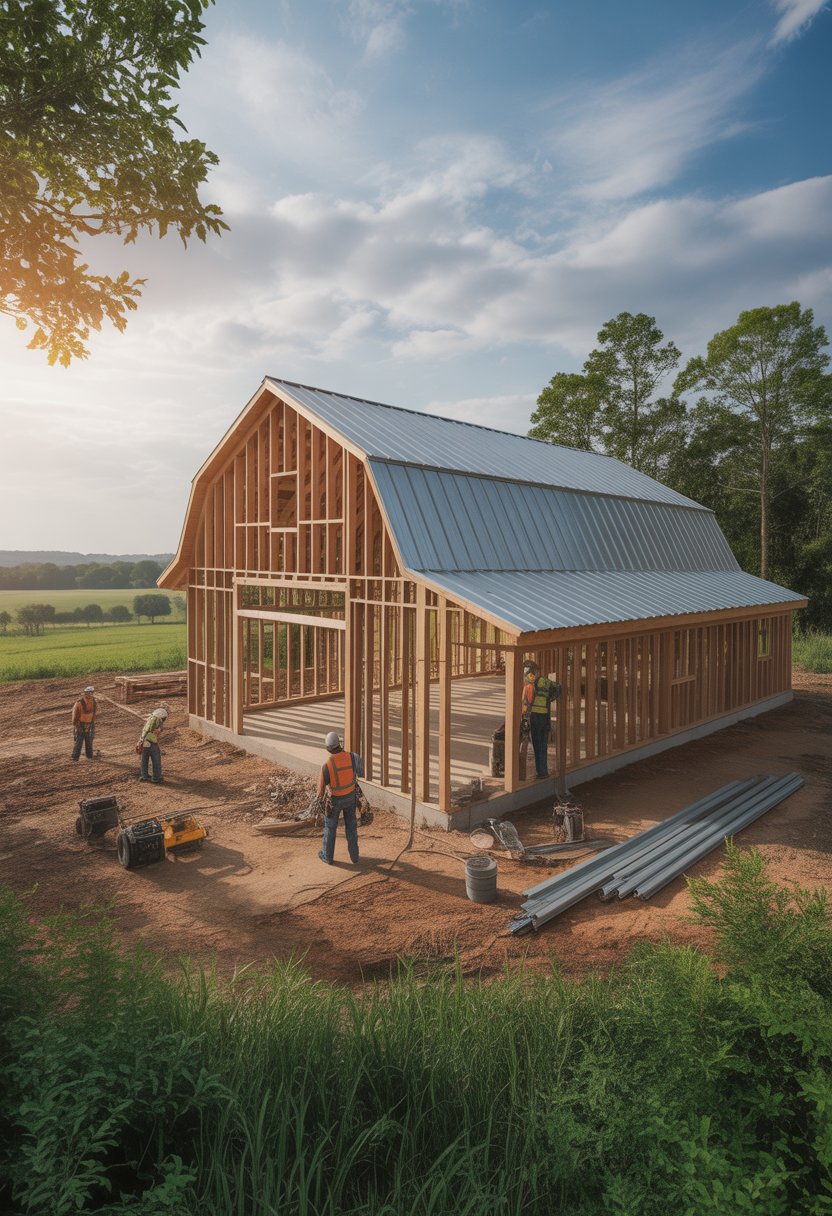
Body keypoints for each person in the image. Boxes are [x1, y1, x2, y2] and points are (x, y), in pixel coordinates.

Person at [317, 730, 363, 865]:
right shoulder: (353, 757)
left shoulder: (326, 766)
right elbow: (360, 772)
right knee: (351, 827)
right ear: (340, 744)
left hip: (335, 801)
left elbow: (320, 792)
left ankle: (327, 856)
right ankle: (354, 857)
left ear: (327, 748)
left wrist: (320, 803)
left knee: (330, 828)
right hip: (350, 798)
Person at [522, 661, 558, 779]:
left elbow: (526, 704)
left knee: (537, 745)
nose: (527, 675)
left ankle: (541, 772)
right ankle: (543, 771)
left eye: (528, 673)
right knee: (543, 745)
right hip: (544, 717)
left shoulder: (529, 686)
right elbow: (558, 689)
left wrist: (524, 718)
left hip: (535, 718)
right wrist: (549, 699)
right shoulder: (545, 682)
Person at [138, 705, 168, 783]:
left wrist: (140, 741)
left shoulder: (150, 719)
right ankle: (156, 778)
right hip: (151, 742)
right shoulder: (157, 720)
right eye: (164, 718)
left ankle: (144, 776)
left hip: (143, 741)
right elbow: (157, 731)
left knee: (144, 759)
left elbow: (145, 730)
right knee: (156, 759)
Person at [71, 685, 97, 761]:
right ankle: (74, 758)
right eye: (89, 692)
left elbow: (96, 712)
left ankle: (89, 757)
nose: (90, 694)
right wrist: (77, 726)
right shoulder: (79, 703)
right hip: (80, 725)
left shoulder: (94, 702)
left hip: (89, 725)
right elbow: (74, 716)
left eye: (92, 692)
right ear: (85, 693)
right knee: (78, 743)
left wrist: (92, 724)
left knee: (89, 742)